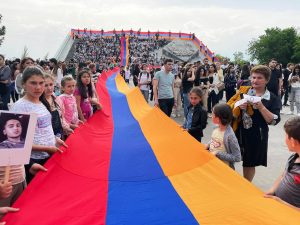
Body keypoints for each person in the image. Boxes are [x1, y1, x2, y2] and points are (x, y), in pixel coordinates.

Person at [11, 66, 67, 183]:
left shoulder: (41, 102)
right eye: (33, 83)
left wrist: (55, 139)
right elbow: (15, 143)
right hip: (34, 161)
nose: (38, 87)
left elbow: (44, 128)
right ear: (24, 84)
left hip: (49, 155)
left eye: (41, 83)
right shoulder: (20, 107)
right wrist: (45, 149)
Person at [228, 65, 281, 182]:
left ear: (267, 80)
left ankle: (246, 186)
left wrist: (261, 107)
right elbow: (228, 108)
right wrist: (237, 106)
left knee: (249, 162)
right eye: (253, 77)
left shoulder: (272, 98)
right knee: (229, 157)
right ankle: (230, 184)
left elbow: (273, 121)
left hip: (257, 134)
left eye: (259, 78)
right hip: (238, 130)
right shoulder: (243, 92)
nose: (255, 80)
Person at [264, 116, 300, 211]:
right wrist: (272, 190)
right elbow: (283, 175)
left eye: (285, 136)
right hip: (279, 207)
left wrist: (282, 203)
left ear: (292, 141)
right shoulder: (294, 157)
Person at [207, 103, 241, 169]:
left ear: (218, 118)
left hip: (223, 168)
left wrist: (217, 153)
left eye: (213, 114)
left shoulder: (230, 136)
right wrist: (208, 145)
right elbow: (215, 139)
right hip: (213, 165)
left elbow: (237, 157)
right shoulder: (216, 127)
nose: (211, 116)